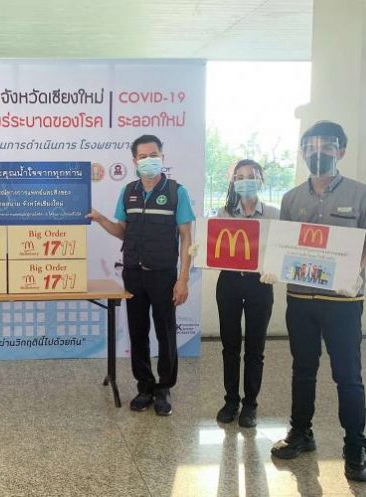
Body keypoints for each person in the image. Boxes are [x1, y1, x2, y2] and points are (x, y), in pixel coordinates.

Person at [266, 121, 366, 482]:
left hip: (343, 302)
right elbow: (286, 245)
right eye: (311, 146)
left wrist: (353, 271)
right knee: (303, 369)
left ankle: (355, 447)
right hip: (300, 299)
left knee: (348, 376)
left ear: (341, 151)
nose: (319, 152)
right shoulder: (291, 199)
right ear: (303, 152)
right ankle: (301, 432)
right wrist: (273, 266)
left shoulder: (363, 194)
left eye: (327, 146)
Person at [90, 134, 195, 415]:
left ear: (162, 157)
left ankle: (164, 389)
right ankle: (145, 387)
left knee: (165, 333)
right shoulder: (129, 192)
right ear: (134, 161)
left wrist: (183, 278)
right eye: (143, 156)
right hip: (133, 274)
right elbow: (122, 231)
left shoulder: (176, 192)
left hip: (164, 275)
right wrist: (101, 219)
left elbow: (186, 237)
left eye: (154, 155)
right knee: (137, 332)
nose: (149, 160)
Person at [211, 160, 278, 428]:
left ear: (261, 179)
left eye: (251, 175)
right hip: (228, 283)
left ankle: (250, 405)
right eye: (240, 176)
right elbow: (214, 247)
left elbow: (282, 250)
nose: (246, 180)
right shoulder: (223, 213)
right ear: (233, 182)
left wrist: (276, 269)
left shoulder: (274, 214)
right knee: (230, 346)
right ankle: (231, 401)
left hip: (260, 284)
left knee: (255, 347)